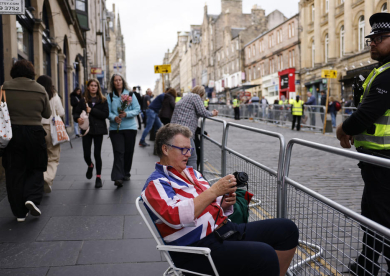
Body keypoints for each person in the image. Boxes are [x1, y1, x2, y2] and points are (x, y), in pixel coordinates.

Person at [141, 124, 299, 276]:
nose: (188, 154)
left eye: (189, 149)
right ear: (165, 149)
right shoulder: (156, 184)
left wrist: (222, 204)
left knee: (287, 229)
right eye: (183, 149)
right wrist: (214, 191)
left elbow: (206, 206)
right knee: (265, 255)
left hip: (225, 230)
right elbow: (176, 217)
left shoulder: (192, 173)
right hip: (197, 249)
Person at [336, 13, 390, 276]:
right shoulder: (381, 71)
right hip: (377, 160)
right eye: (371, 38)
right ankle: (366, 265)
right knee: (373, 215)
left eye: (379, 38)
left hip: (385, 161)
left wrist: (343, 129)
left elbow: (367, 114)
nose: (372, 42)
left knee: (380, 218)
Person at [0, 60, 51, 222]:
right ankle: (32, 197)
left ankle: (19, 212)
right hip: (35, 133)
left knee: (14, 172)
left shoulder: (3, 88)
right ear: (31, 72)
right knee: (36, 167)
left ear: (13, 72)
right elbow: (47, 113)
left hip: (12, 135)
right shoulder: (40, 89)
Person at [170, 85, 218, 168]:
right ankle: (193, 179)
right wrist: (212, 113)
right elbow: (203, 112)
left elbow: (194, 111)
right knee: (192, 157)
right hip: (185, 131)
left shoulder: (186, 97)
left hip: (174, 129)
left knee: (180, 155)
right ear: (201, 93)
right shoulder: (195, 97)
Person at [74, 79, 109, 189]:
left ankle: (98, 177)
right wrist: (77, 119)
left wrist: (92, 110)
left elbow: (105, 114)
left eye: (95, 85)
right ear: (88, 87)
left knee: (97, 154)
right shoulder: (83, 100)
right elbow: (75, 113)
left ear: (98, 88)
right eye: (91, 85)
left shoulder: (103, 100)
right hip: (87, 130)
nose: (93, 87)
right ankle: (90, 165)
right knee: (86, 154)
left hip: (98, 130)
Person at [108, 74, 141, 187]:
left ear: (123, 82)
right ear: (113, 83)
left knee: (128, 152)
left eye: (119, 80)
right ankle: (118, 177)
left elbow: (137, 109)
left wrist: (126, 114)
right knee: (118, 152)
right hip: (115, 129)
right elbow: (108, 112)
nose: (118, 82)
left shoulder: (130, 94)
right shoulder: (110, 96)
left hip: (130, 128)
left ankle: (126, 172)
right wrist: (114, 118)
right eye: (115, 80)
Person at [38, 75, 64, 194]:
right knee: (53, 157)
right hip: (50, 129)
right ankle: (46, 178)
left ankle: (39, 181)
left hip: (36, 128)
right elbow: (61, 112)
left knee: (39, 156)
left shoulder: (36, 94)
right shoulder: (54, 96)